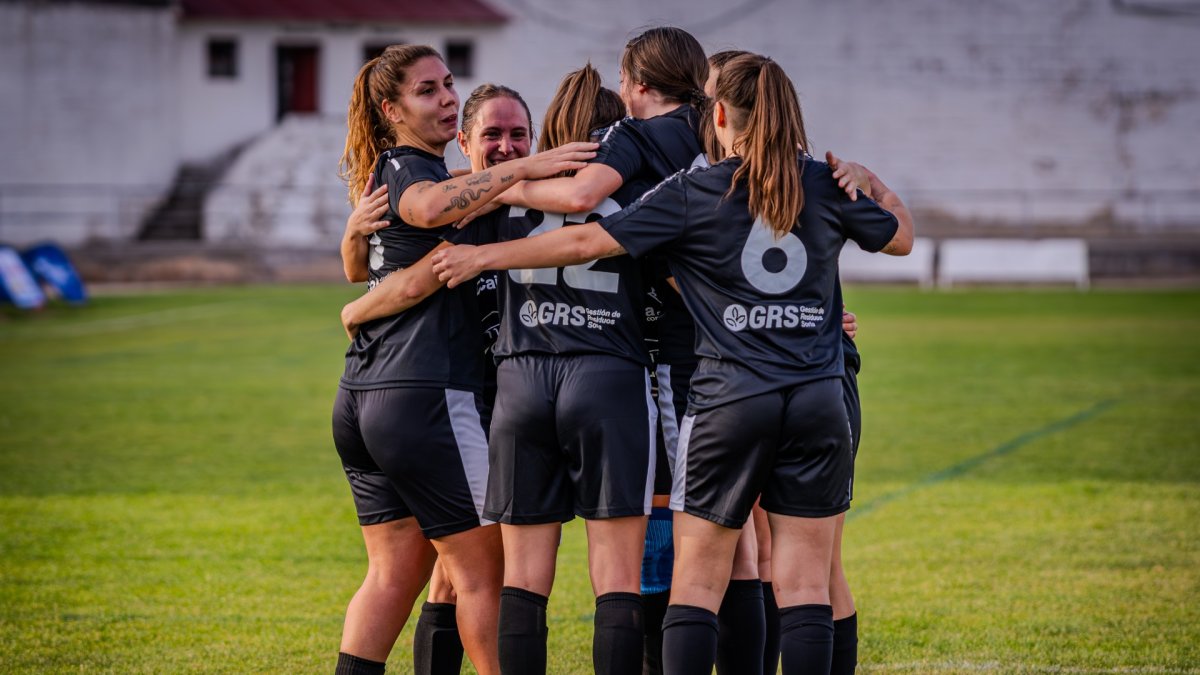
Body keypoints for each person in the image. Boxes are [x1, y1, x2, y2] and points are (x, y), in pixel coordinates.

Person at [429, 52, 913, 675]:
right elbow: (900, 236)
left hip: (725, 400)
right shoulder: (821, 181)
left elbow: (584, 238)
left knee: (696, 585)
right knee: (805, 587)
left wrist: (484, 251)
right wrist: (870, 180)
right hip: (817, 398)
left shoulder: (694, 191)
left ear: (715, 114)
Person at [331, 44, 594, 675]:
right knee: (486, 575)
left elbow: (372, 268)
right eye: (428, 91)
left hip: (368, 396)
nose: (446, 97)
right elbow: (422, 227)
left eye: (449, 84)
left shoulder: (441, 181)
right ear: (392, 110)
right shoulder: (411, 172)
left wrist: (356, 296)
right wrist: (530, 165)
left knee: (399, 572)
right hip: (427, 394)